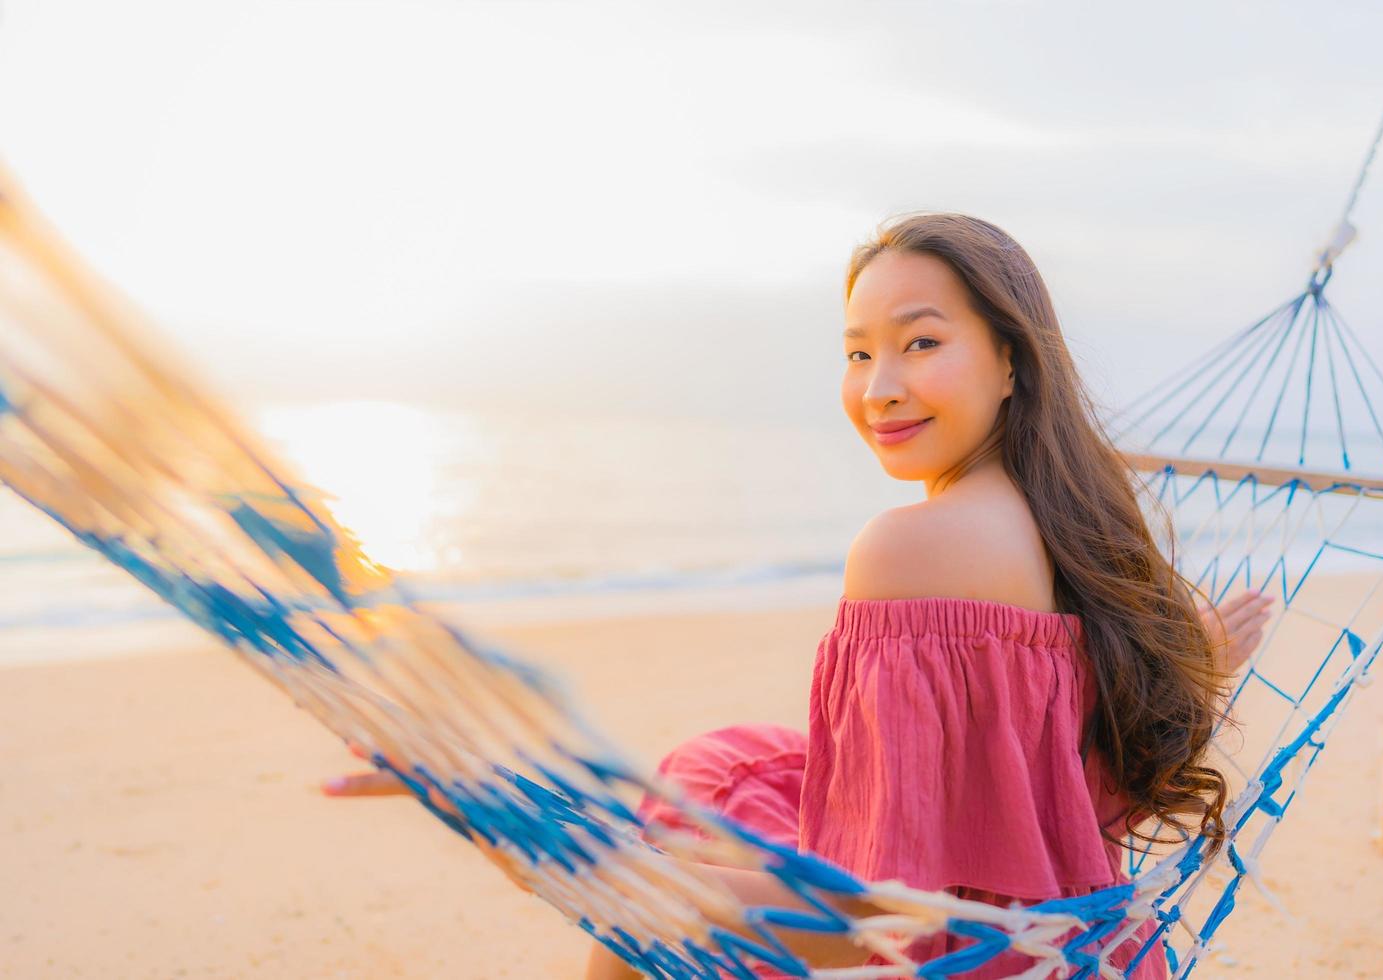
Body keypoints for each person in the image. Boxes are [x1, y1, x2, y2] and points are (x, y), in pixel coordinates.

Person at [323, 213, 1275, 979]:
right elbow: (1068, 794)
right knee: (728, 772)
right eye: (858, 353)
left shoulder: (912, 551)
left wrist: (514, 820)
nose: (881, 389)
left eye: (922, 342)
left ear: (1011, 360)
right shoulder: (1077, 528)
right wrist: (1197, 665)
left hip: (970, 957)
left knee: (652, 896)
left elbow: (869, 923)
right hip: (1075, 943)